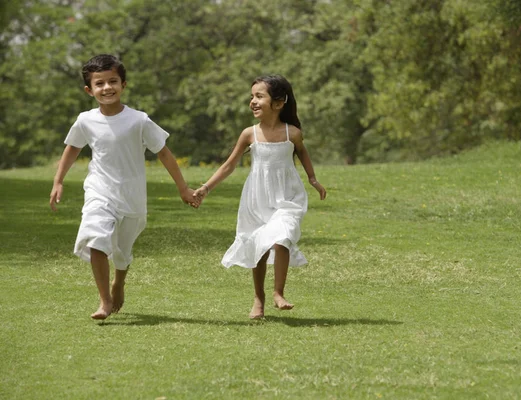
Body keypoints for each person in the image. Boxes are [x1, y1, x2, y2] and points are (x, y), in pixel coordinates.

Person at [49, 54, 200, 320]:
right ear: (89, 90)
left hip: (132, 198)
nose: (107, 88)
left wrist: (183, 188)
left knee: (122, 251)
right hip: (99, 190)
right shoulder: (85, 120)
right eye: (100, 84)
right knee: (95, 239)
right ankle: (104, 300)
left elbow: (164, 153)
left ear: (123, 84)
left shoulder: (139, 120)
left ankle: (119, 280)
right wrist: (58, 181)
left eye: (113, 81)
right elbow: (72, 148)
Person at [194, 75, 326, 319]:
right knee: (259, 246)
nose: (252, 102)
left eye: (259, 96)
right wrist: (206, 188)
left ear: (278, 103)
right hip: (257, 198)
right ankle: (259, 298)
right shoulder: (249, 134)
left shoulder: (292, 132)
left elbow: (303, 153)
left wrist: (313, 179)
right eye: (252, 97)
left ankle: (278, 292)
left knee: (283, 235)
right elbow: (228, 165)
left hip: (287, 196)